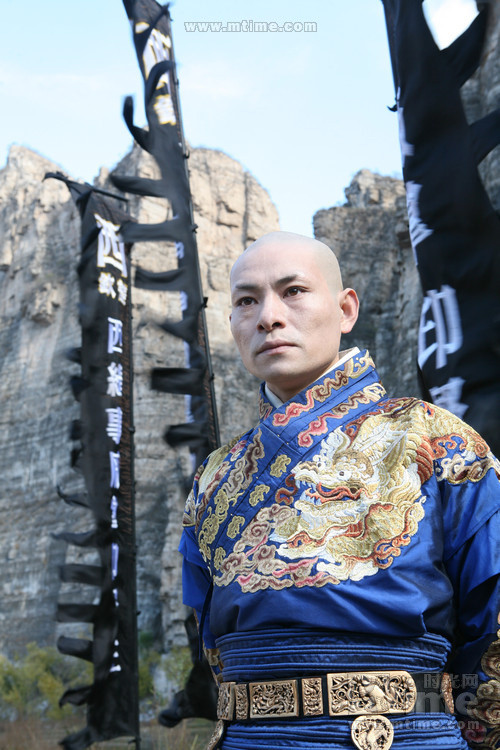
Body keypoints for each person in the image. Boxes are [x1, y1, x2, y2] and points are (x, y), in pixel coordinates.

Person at [179, 231, 500, 750]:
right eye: (246, 301)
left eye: (294, 291)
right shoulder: (214, 476)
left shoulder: (434, 439)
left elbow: (494, 627)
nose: (268, 317)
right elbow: (213, 643)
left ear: (346, 309)